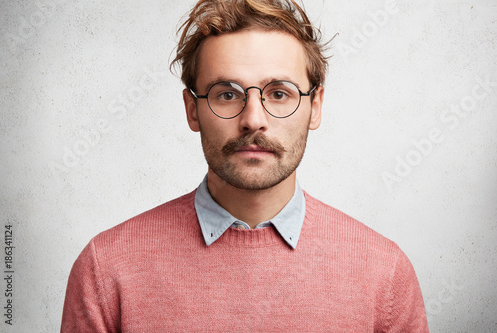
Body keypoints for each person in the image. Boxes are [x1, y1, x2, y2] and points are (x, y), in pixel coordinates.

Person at [61, 0, 429, 331]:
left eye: (279, 93)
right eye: (226, 94)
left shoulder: (384, 273)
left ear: (315, 107)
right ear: (193, 110)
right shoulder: (107, 269)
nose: (253, 119)